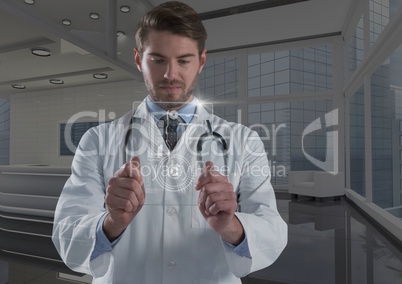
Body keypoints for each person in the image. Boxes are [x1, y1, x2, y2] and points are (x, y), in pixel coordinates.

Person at [52, 1, 287, 283]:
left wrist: (231, 226)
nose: (170, 75)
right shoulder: (97, 141)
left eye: (183, 60)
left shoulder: (244, 141)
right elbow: (67, 234)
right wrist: (111, 223)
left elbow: (272, 231)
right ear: (139, 59)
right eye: (158, 60)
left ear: (201, 61)